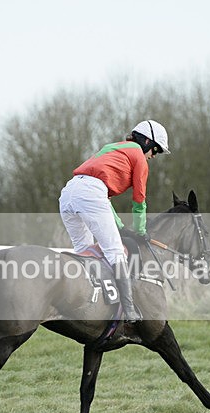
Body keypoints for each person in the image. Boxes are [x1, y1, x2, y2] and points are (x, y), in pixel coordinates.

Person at [59, 120, 170, 323]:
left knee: (85, 250)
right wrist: (140, 230)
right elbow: (139, 200)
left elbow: (105, 201)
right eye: (155, 150)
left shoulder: (112, 148)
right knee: (115, 252)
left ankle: (87, 303)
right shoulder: (139, 158)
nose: (154, 156)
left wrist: (120, 227)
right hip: (91, 194)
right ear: (146, 141)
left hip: (68, 193)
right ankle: (129, 311)